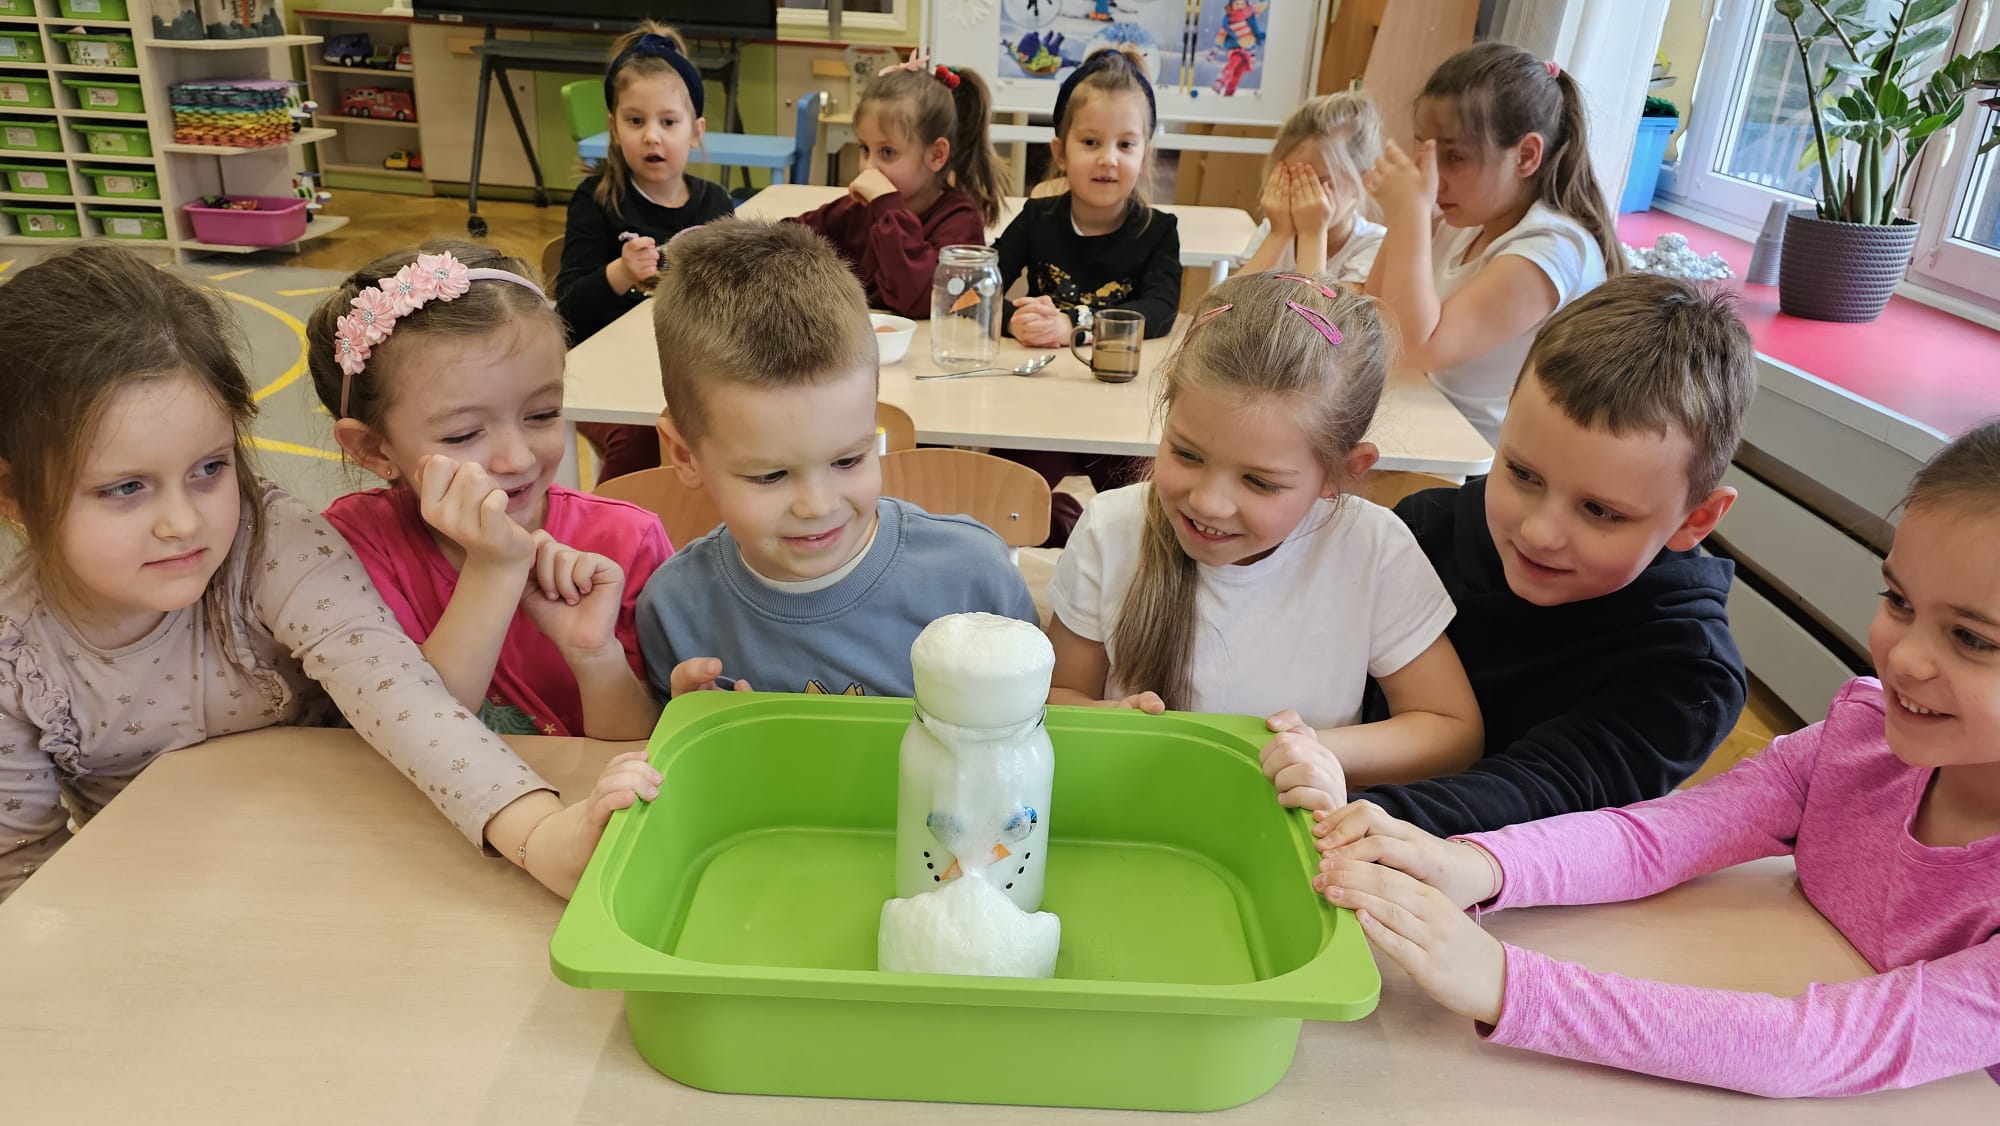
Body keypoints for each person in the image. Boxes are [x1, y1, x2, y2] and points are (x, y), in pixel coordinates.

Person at [1313, 421, 2000, 1097]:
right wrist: (1479, 864)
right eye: (1899, 601)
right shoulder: (1856, 737)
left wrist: (1507, 984)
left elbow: (1815, 1045)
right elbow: (1660, 836)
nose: (1905, 659)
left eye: (1973, 639)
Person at [0, 244, 655, 903]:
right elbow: (22, 873)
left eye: (210, 468)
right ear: (14, 496)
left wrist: (540, 836)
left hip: (355, 861)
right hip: (160, 901)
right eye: (125, 488)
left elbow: (406, 699)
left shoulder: (271, 544)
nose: (182, 522)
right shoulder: (14, 655)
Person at [1047, 271, 1483, 804]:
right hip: (1134, 816)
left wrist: (1320, 752)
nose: (1209, 503)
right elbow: (1058, 695)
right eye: (1186, 453)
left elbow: (1452, 731)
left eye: (1259, 481)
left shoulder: (1373, 550)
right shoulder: (1111, 529)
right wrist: (1108, 721)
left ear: (1342, 473)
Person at [1355, 275, 1752, 835]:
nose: (1540, 534)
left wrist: (1343, 814)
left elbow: (1543, 795)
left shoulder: (1689, 675)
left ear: (1696, 520)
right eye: (1522, 474)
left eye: (1600, 511)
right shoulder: (1421, 530)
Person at [637, 219, 1037, 699]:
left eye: (848, 461)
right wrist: (690, 722)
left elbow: (1040, 723)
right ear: (685, 455)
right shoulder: (674, 610)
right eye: (770, 475)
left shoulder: (974, 580)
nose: (818, 506)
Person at [313, 242, 667, 740]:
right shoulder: (347, 549)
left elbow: (642, 749)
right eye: (462, 435)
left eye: (542, 415)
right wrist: (494, 569)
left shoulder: (627, 540)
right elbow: (421, 739)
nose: (517, 460)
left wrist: (594, 654)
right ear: (373, 449)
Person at [1364, 43, 1617, 444]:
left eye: (1454, 157)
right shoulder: (1464, 222)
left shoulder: (1551, 250)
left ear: (1526, 155)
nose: (1433, 176)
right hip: (1429, 429)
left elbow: (1412, 350)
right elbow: (1376, 320)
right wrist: (1407, 218)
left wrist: (1409, 214)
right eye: (1424, 151)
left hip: (1489, 463)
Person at [553, 21, 733, 481]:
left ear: (696, 131)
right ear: (614, 128)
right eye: (636, 121)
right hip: (599, 373)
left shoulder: (714, 203)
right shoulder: (596, 200)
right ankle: (616, 521)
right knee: (639, 437)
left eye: (668, 122)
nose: (652, 136)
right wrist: (620, 273)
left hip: (681, 366)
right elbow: (567, 310)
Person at [790, 54, 1005, 319]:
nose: (869, 167)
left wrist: (888, 209)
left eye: (888, 152)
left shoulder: (960, 221)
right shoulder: (859, 208)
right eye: (864, 149)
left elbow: (920, 299)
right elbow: (790, 237)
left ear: (936, 155)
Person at [1241, 91, 1385, 284]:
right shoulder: (1272, 230)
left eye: (1317, 183)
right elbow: (1228, 302)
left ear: (1364, 180)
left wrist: (1312, 234)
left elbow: (1316, 305)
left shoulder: (1374, 246)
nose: (1301, 195)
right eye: (1290, 178)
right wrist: (1278, 236)